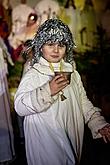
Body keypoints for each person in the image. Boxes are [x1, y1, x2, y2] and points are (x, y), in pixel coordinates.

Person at [14, 19, 110, 165]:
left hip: (70, 133)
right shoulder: (34, 74)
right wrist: (47, 91)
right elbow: (20, 106)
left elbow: (83, 102)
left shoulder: (72, 72)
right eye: (50, 44)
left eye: (61, 45)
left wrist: (97, 123)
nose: (56, 50)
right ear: (40, 46)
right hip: (45, 139)